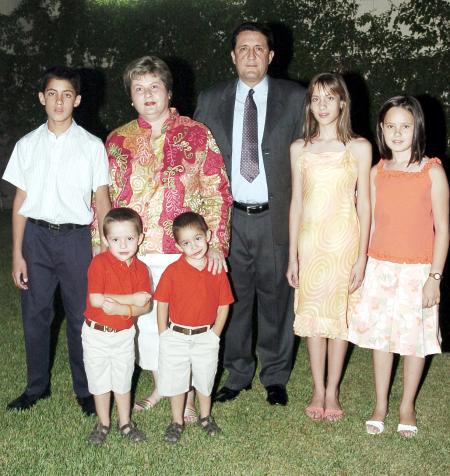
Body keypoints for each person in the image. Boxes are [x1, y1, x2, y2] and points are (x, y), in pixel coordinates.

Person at [104, 56, 232, 420]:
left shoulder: (196, 133)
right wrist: (105, 250)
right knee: (147, 324)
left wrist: (217, 243)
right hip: (136, 253)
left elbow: (217, 190)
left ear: (168, 91)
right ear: (131, 97)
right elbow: (105, 199)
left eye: (154, 87)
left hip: (185, 252)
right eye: (139, 89)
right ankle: (164, 384)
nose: (148, 95)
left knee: (184, 324)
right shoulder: (117, 140)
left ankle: (187, 397)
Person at [194, 22, 305, 406]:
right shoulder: (211, 100)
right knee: (233, 297)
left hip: (276, 216)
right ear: (233, 56)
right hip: (229, 219)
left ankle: (275, 375)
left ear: (271, 56)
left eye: (259, 49)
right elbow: (196, 156)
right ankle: (238, 372)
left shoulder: (296, 98)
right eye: (244, 48)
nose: (252, 55)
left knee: (277, 297)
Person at [3, 66, 111, 415]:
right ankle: (36, 387)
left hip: (75, 240)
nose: (59, 101)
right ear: (42, 98)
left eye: (67, 94)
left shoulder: (93, 146)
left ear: (77, 100)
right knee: (36, 313)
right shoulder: (27, 145)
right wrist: (17, 254)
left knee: (82, 315)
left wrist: (107, 246)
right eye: (52, 94)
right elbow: (20, 201)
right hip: (36, 237)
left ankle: (85, 390)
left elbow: (102, 199)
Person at [348, 96, 449, 437]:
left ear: (417, 128)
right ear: (381, 129)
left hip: (417, 271)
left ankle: (406, 404)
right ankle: (381, 403)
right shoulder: (377, 171)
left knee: (413, 341)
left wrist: (434, 277)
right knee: (381, 339)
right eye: (390, 126)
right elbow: (370, 222)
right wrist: (362, 262)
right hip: (381, 266)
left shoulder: (432, 171)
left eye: (405, 126)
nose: (397, 132)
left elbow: (443, 229)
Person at [286, 73, 371, 422]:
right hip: (310, 242)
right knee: (313, 320)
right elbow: (296, 203)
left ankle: (333, 391)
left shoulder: (359, 147)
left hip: (344, 243)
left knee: (338, 318)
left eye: (329, 98)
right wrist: (292, 254)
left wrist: (362, 256)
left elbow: (364, 203)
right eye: (316, 98)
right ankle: (317, 388)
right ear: (310, 104)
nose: (322, 106)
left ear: (342, 103)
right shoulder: (299, 149)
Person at [155, 212, 234, 443]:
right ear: (179, 247)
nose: (194, 246)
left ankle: (206, 416)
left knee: (205, 378)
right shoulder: (172, 271)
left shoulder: (216, 269)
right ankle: (176, 421)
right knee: (177, 380)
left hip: (205, 336)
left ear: (208, 236)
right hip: (177, 335)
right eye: (186, 243)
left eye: (198, 238)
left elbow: (224, 305)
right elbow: (162, 303)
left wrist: (215, 334)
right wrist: (164, 333)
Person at [83, 208, 151, 444]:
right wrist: (132, 299)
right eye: (115, 239)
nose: (123, 245)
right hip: (96, 333)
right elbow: (96, 300)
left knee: (123, 379)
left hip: (123, 333)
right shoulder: (99, 264)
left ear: (140, 238)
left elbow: (146, 306)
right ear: (105, 240)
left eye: (130, 238)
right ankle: (103, 423)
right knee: (99, 379)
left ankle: (125, 423)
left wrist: (122, 309)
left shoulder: (142, 269)